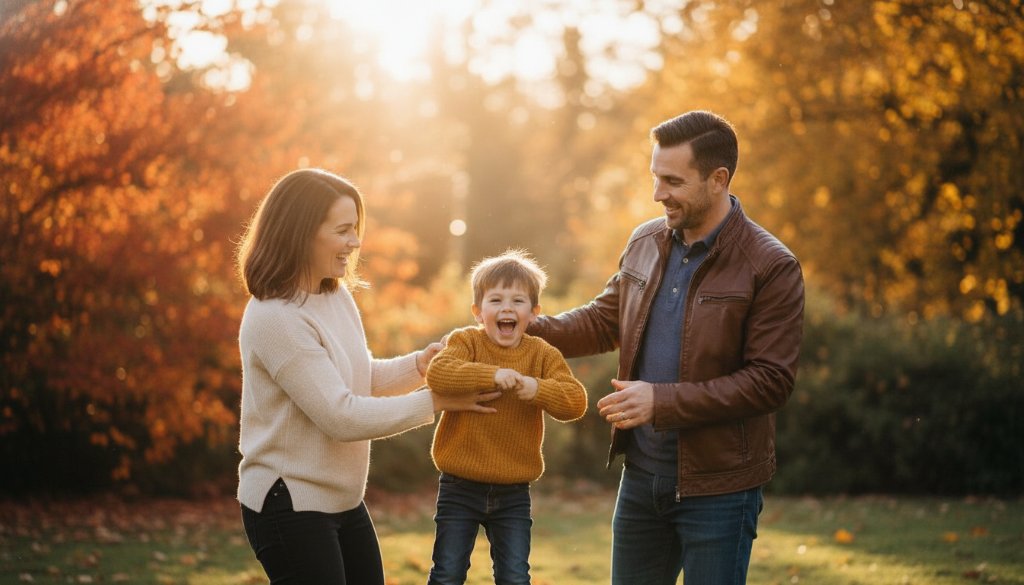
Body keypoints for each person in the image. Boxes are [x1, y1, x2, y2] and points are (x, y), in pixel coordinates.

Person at [527, 110, 805, 584]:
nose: (658, 194)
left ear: (718, 179)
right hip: (640, 479)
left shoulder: (770, 266)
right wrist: (527, 328)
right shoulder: (646, 240)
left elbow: (770, 382)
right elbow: (604, 320)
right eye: (656, 177)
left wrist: (661, 401)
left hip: (720, 488)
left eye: (672, 181)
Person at [234, 168, 500, 585]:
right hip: (290, 504)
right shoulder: (275, 318)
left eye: (355, 229)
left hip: (342, 500)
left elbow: (357, 377)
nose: (355, 243)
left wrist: (419, 366)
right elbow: (340, 416)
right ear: (301, 232)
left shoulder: (334, 295)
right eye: (343, 230)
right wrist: (435, 400)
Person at [425, 249, 588, 585]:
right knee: (447, 572)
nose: (506, 309)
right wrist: (491, 374)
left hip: (513, 491)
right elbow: (439, 373)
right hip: (460, 486)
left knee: (514, 576)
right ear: (478, 311)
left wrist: (538, 388)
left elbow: (575, 401)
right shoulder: (465, 341)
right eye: (495, 300)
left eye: (518, 301)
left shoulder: (542, 355)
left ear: (534, 312)